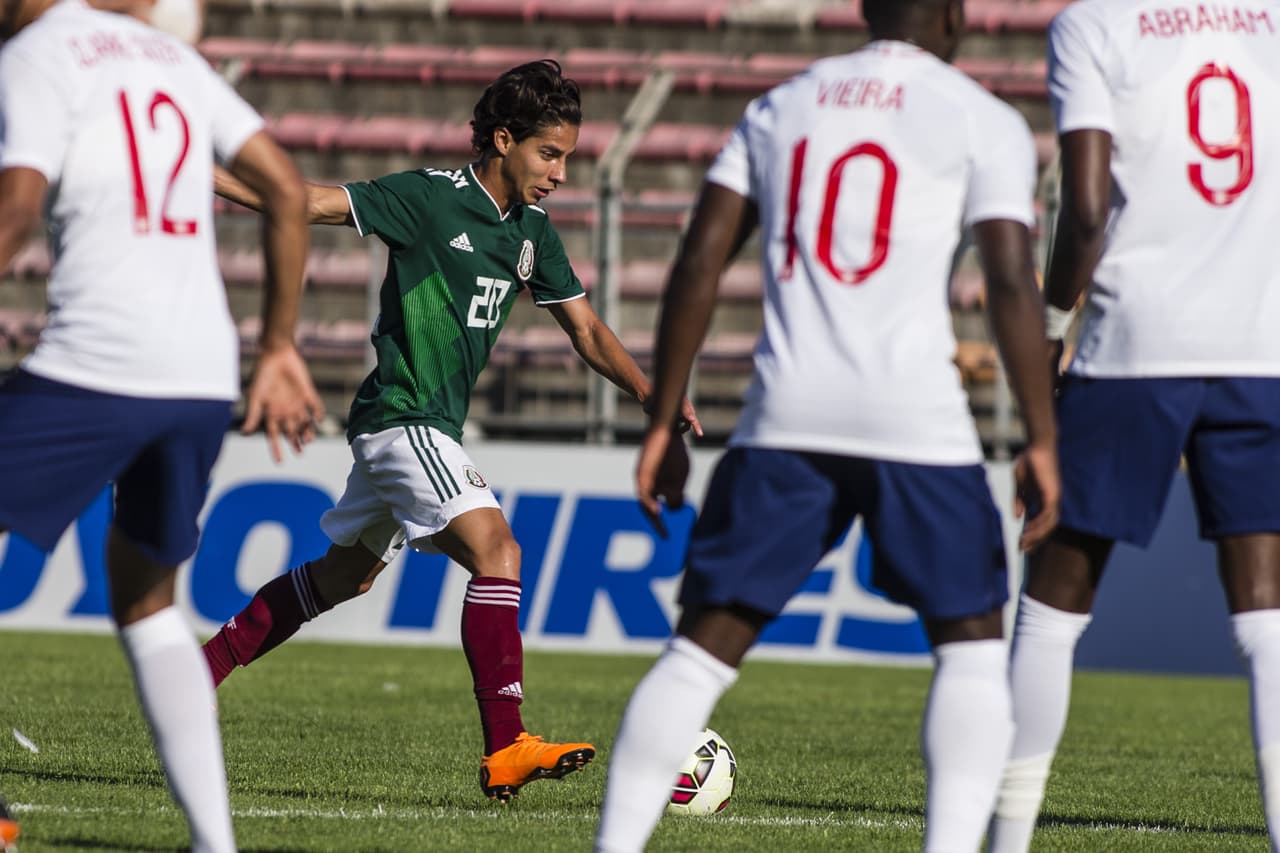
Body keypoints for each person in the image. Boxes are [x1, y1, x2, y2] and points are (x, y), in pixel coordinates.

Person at [594, 1, 1060, 850]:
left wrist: (663, 419)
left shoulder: (782, 104)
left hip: (787, 417)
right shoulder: (981, 117)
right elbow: (1009, 281)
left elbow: (699, 259)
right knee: (971, 649)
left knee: (699, 652)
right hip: (917, 422)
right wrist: (1042, 436)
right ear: (955, 16)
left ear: (863, 7)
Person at [202, 59, 702, 803]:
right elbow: (303, 202)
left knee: (346, 576)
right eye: (549, 154)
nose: (561, 173)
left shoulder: (531, 233)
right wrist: (195, 172)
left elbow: (587, 328)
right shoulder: (430, 200)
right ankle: (507, 744)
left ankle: (196, 672)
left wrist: (649, 391)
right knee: (497, 547)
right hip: (406, 417)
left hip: (415, 426)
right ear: (503, 139)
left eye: (567, 157)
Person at [0, 0, 322, 849]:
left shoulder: (37, 53)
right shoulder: (176, 60)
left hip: (96, 363)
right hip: (200, 373)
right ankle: (216, 843)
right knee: (147, 600)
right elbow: (287, 192)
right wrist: (278, 346)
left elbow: (13, 216)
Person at [986, 3, 1280, 851]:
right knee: (1266, 620)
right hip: (1259, 346)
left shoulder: (1095, 24)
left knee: (1051, 608)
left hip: (1135, 341)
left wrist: (1047, 325)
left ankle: (1007, 841)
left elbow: (1084, 209)